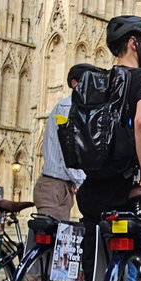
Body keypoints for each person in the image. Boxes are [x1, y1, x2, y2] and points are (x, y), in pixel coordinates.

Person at [76, 15, 141, 281]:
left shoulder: (95, 81)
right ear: (133, 44)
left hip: (90, 194)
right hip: (123, 196)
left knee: (96, 277)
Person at [33, 63, 98, 221]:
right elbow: (68, 152)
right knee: (54, 241)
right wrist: (83, 182)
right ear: (75, 83)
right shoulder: (68, 108)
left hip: (61, 187)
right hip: (55, 187)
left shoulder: (73, 108)